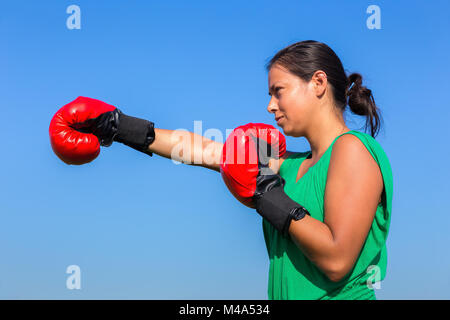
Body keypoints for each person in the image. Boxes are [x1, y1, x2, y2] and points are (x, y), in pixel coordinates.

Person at [49, 40, 393, 300]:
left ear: (318, 83)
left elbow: (336, 261)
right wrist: (116, 125)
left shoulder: (352, 150)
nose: (270, 105)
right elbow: (201, 149)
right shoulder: (288, 166)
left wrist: (268, 196)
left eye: (279, 91)